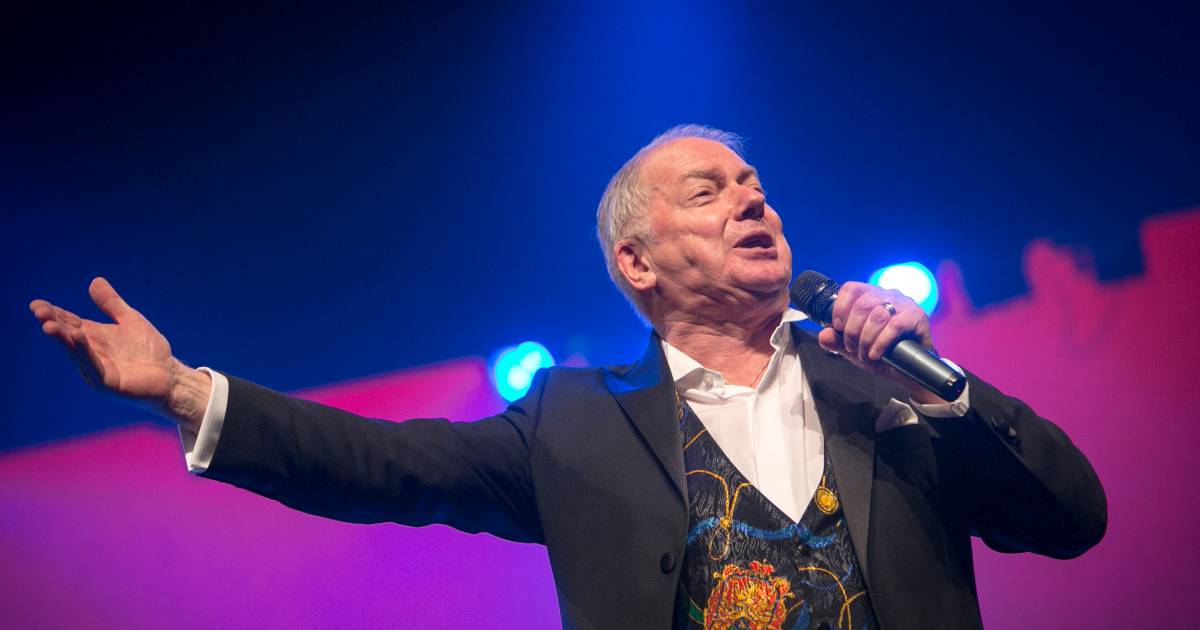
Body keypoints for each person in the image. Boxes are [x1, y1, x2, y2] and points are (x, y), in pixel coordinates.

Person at [30, 125, 1106, 629]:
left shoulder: (878, 387)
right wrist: (186, 391)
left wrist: (942, 389)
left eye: (756, 185)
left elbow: (1070, 519)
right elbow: (382, 464)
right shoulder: (574, 424)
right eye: (710, 190)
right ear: (637, 262)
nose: (753, 200)